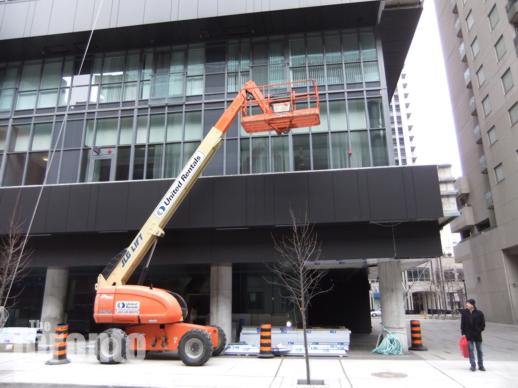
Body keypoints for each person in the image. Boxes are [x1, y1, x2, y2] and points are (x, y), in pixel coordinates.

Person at [460, 299, 486, 371]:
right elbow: (462, 324)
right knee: (470, 350)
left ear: (472, 304)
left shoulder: (479, 313)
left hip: (477, 335)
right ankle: (473, 365)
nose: (466, 305)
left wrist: (479, 330)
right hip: (468, 335)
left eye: (468, 303)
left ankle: (481, 365)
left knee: (479, 350)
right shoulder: (464, 313)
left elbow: (483, 324)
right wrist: (463, 333)